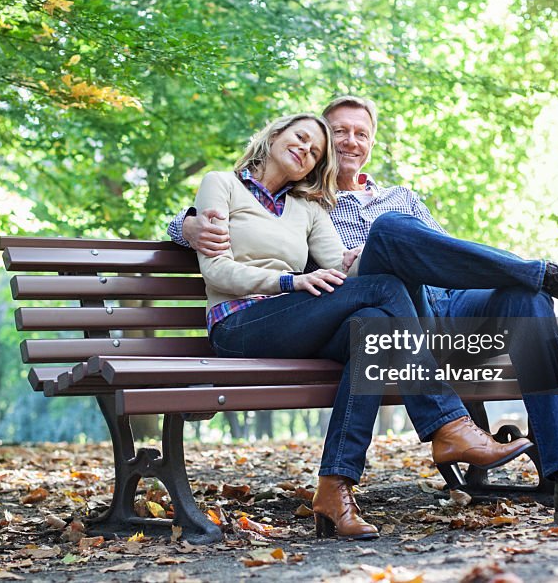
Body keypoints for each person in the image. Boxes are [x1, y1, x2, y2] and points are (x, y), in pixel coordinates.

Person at [170, 96, 558, 523]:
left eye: (361, 133)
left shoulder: (401, 196)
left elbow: (451, 254)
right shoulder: (312, 201)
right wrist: (187, 225)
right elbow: (221, 229)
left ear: (371, 143)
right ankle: (550, 277)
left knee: (525, 300)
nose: (349, 141)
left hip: (442, 308)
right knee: (389, 235)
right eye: (337, 133)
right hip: (387, 309)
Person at [192, 112, 533, 540]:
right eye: (300, 138)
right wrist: (289, 281)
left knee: (373, 327)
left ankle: (335, 488)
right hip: (239, 323)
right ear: (274, 134)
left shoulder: (308, 207)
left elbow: (341, 266)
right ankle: (448, 425)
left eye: (315, 152)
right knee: (384, 295)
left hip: (295, 322)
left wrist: (367, 256)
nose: (305, 150)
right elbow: (218, 270)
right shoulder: (220, 183)